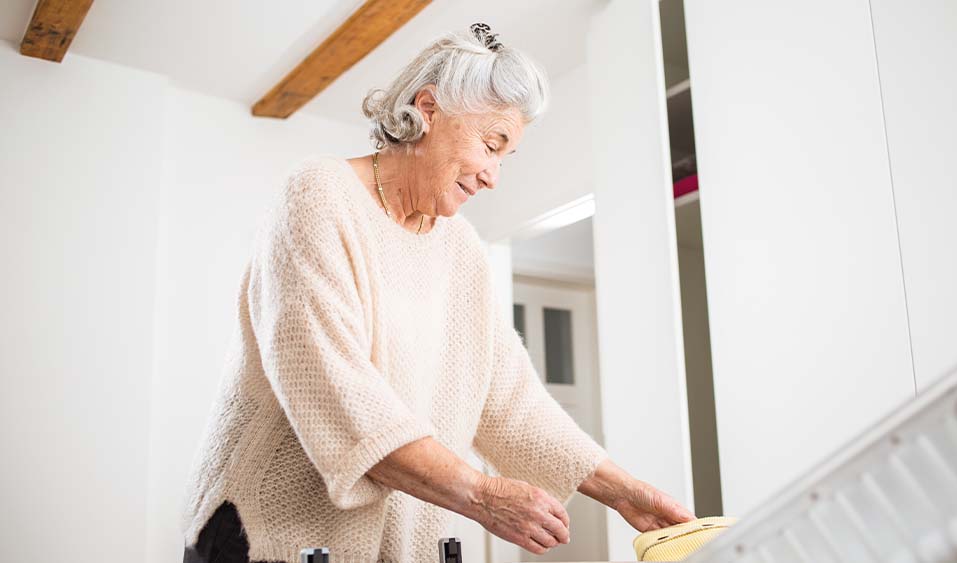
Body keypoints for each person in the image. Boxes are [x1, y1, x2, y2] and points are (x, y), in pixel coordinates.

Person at [182, 23, 694, 563]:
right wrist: (480, 494)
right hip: (270, 531)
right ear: (427, 109)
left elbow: (510, 401)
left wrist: (625, 492)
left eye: (506, 156)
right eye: (491, 144)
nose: (493, 175)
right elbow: (330, 384)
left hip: (398, 539)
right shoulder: (318, 195)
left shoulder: (461, 248)